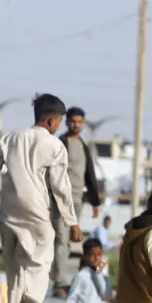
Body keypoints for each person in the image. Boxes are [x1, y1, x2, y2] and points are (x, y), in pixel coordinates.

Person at [0, 93, 80, 303]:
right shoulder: (54, 146)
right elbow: (60, 186)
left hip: (8, 213)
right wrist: (72, 221)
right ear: (53, 121)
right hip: (36, 212)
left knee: (14, 264)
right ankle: (32, 300)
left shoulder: (11, 138)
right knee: (40, 260)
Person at [54, 106, 103, 290]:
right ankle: (59, 279)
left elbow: (89, 175)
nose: (76, 125)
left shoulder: (84, 146)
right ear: (66, 122)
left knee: (67, 240)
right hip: (60, 199)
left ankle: (57, 276)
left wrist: (95, 202)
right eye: (73, 121)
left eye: (80, 122)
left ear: (83, 124)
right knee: (60, 236)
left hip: (78, 200)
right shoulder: (60, 143)